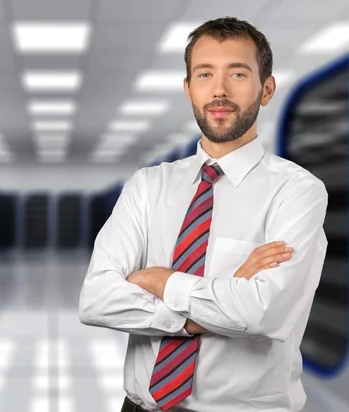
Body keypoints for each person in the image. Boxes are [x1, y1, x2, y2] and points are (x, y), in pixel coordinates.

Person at [79, 16, 328, 412]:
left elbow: (263, 312)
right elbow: (96, 300)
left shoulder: (297, 191)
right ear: (188, 89)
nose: (219, 90)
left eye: (238, 74)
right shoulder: (148, 185)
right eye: (205, 73)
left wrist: (163, 281)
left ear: (266, 89)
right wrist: (208, 309)